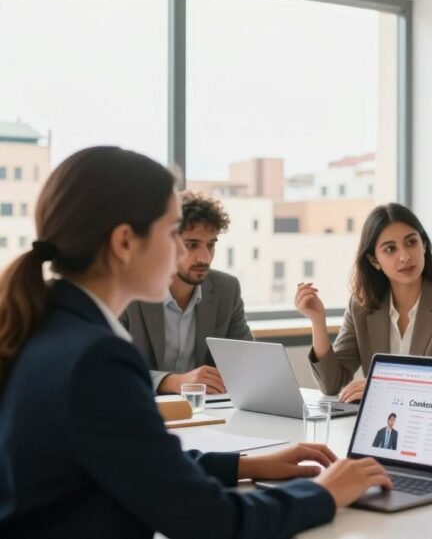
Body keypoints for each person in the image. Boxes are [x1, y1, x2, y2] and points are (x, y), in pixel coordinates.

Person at [0, 146, 391, 538]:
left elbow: (139, 460)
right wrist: (323, 492)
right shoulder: (97, 359)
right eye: (174, 232)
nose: (183, 253)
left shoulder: (46, 326)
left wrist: (246, 465)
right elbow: (211, 520)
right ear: (124, 242)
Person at [298, 203, 432, 402]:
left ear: (424, 245)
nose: (405, 256)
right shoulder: (361, 306)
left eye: (411, 242)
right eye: (390, 249)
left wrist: (381, 385)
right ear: (374, 260)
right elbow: (331, 384)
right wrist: (317, 321)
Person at [121, 191, 251, 394]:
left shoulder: (227, 289)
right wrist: (173, 382)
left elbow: (247, 362)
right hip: (142, 404)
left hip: (206, 409)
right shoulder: (129, 289)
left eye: (211, 245)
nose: (204, 258)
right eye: (191, 245)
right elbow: (109, 368)